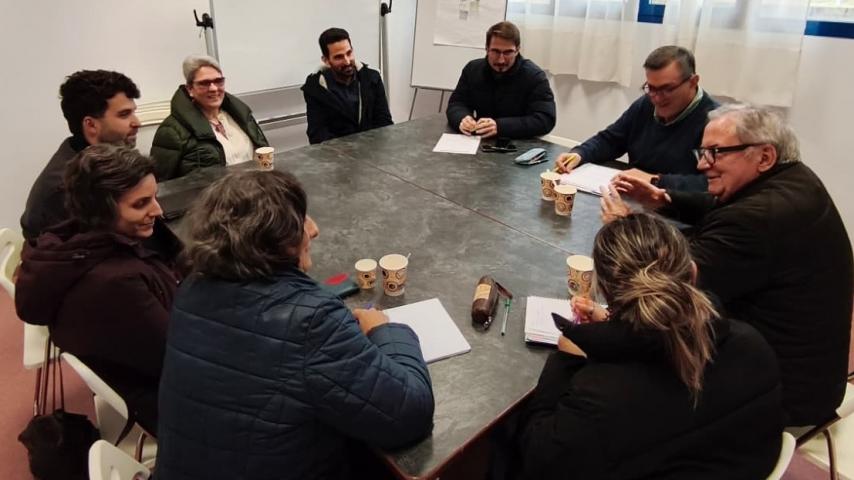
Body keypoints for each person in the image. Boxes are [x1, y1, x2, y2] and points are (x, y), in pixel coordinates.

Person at [155, 170, 435, 479]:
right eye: (301, 220)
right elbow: (410, 414)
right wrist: (385, 330)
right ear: (275, 241)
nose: (313, 230)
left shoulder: (191, 288)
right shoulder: (311, 321)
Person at [603, 104, 854, 427]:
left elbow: (671, 280)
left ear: (764, 156)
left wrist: (623, 230)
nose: (702, 164)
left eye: (716, 153)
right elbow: (725, 203)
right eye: (703, 152)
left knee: (625, 363)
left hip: (779, 394)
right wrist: (663, 200)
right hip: (815, 378)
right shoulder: (793, 179)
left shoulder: (757, 218)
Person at [516, 213, 783, 479]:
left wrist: (566, 360)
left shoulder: (601, 396)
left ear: (605, 291)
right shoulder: (752, 345)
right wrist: (613, 327)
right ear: (692, 273)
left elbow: (538, 461)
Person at [15, 145, 182, 435]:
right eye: (141, 204)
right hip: (166, 403)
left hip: (139, 378)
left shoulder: (75, 245)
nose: (158, 210)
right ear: (103, 210)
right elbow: (179, 361)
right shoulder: (116, 285)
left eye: (154, 198)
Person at [554, 46, 718, 191]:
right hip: (634, 195)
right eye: (651, 88)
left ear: (693, 82)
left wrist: (655, 180)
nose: (656, 98)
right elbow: (611, 140)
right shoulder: (646, 104)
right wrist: (580, 154)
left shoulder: (715, 123)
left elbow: (713, 183)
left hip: (678, 207)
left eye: (667, 89)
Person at [20, 70, 141, 243]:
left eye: (133, 112)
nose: (137, 122)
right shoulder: (68, 188)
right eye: (124, 114)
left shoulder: (102, 161)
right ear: (91, 125)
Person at [151, 55, 268, 180]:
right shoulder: (171, 131)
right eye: (204, 83)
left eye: (218, 81)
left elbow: (263, 155)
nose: (213, 88)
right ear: (190, 89)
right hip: (210, 193)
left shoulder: (242, 116)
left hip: (253, 188)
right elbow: (161, 183)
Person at [446, 21, 556, 139]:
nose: (501, 60)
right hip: (479, 140)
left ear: (517, 50)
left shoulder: (534, 76)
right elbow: (456, 103)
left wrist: (500, 126)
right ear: (487, 48)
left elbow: (545, 119)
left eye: (508, 52)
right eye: (495, 51)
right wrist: (462, 118)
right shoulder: (472, 69)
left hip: (517, 142)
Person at [301, 28, 393, 145]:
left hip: (373, 148)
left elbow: (384, 123)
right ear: (326, 60)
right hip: (336, 154)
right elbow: (318, 135)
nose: (347, 61)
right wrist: (349, 151)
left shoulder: (372, 78)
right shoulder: (315, 88)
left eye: (349, 53)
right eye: (339, 57)